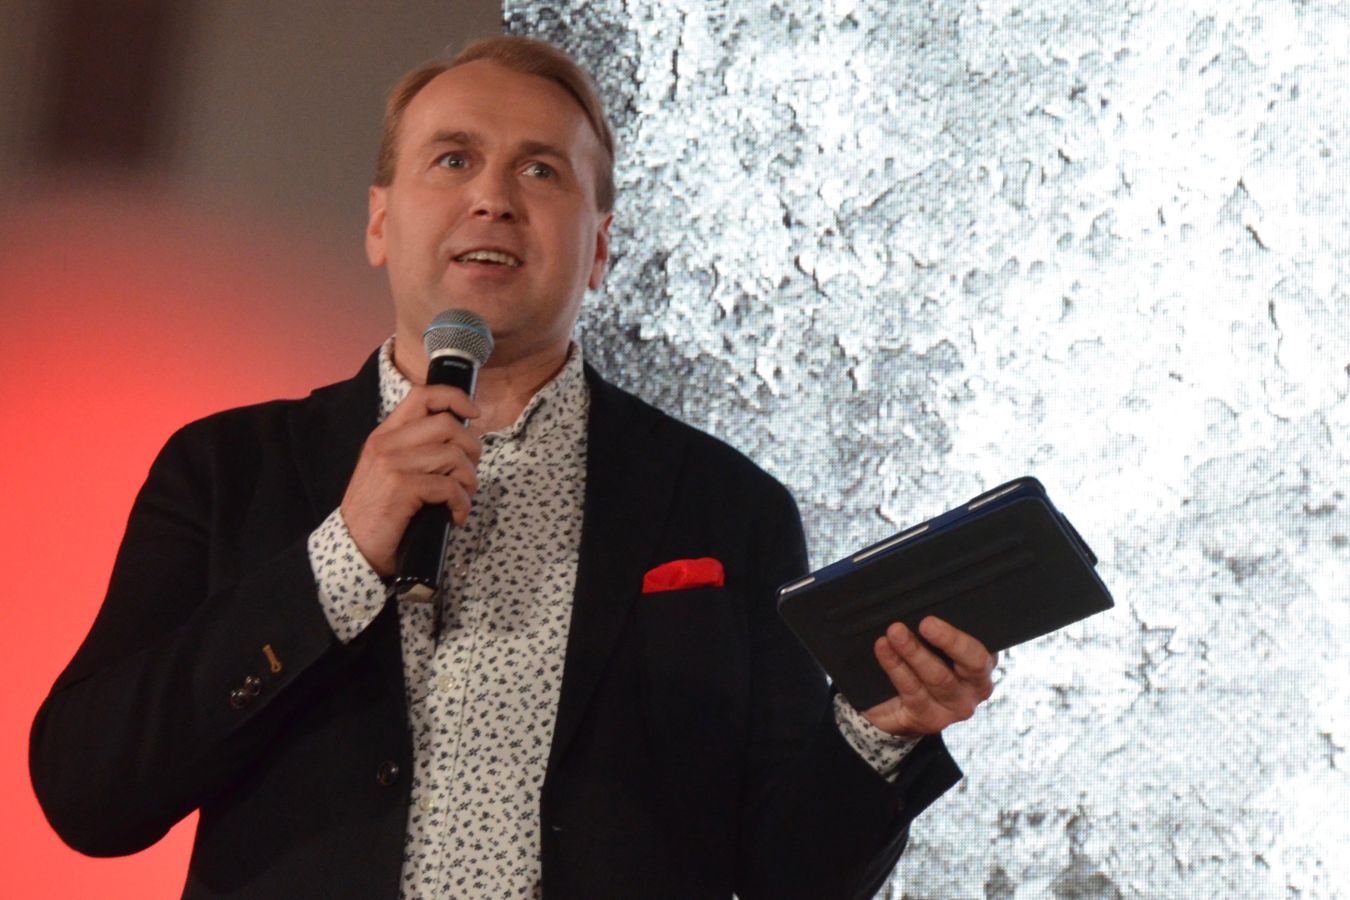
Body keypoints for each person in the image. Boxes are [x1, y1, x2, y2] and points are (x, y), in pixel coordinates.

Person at [30, 35, 997, 899]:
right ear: (379, 222)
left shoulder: (725, 507)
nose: (493, 197)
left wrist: (882, 733)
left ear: (600, 250)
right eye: (453, 159)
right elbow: (90, 794)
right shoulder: (227, 470)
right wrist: (340, 557)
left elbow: (791, 877)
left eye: (540, 170)